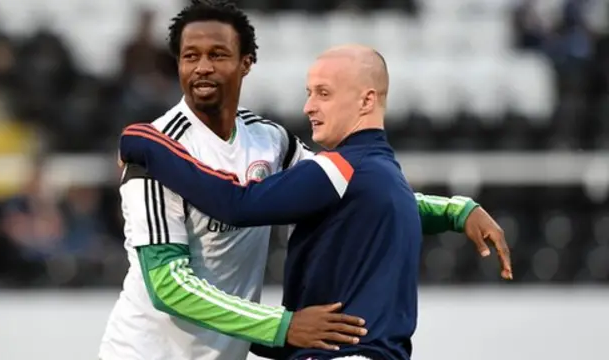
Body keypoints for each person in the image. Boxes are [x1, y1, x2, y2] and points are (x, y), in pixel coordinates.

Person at [104, 1, 512, 360]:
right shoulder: (157, 152)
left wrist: (454, 210)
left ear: (246, 62)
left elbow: (353, 195)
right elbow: (169, 287)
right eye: (189, 56)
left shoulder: (269, 140)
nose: (203, 67)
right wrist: (284, 326)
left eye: (218, 54)